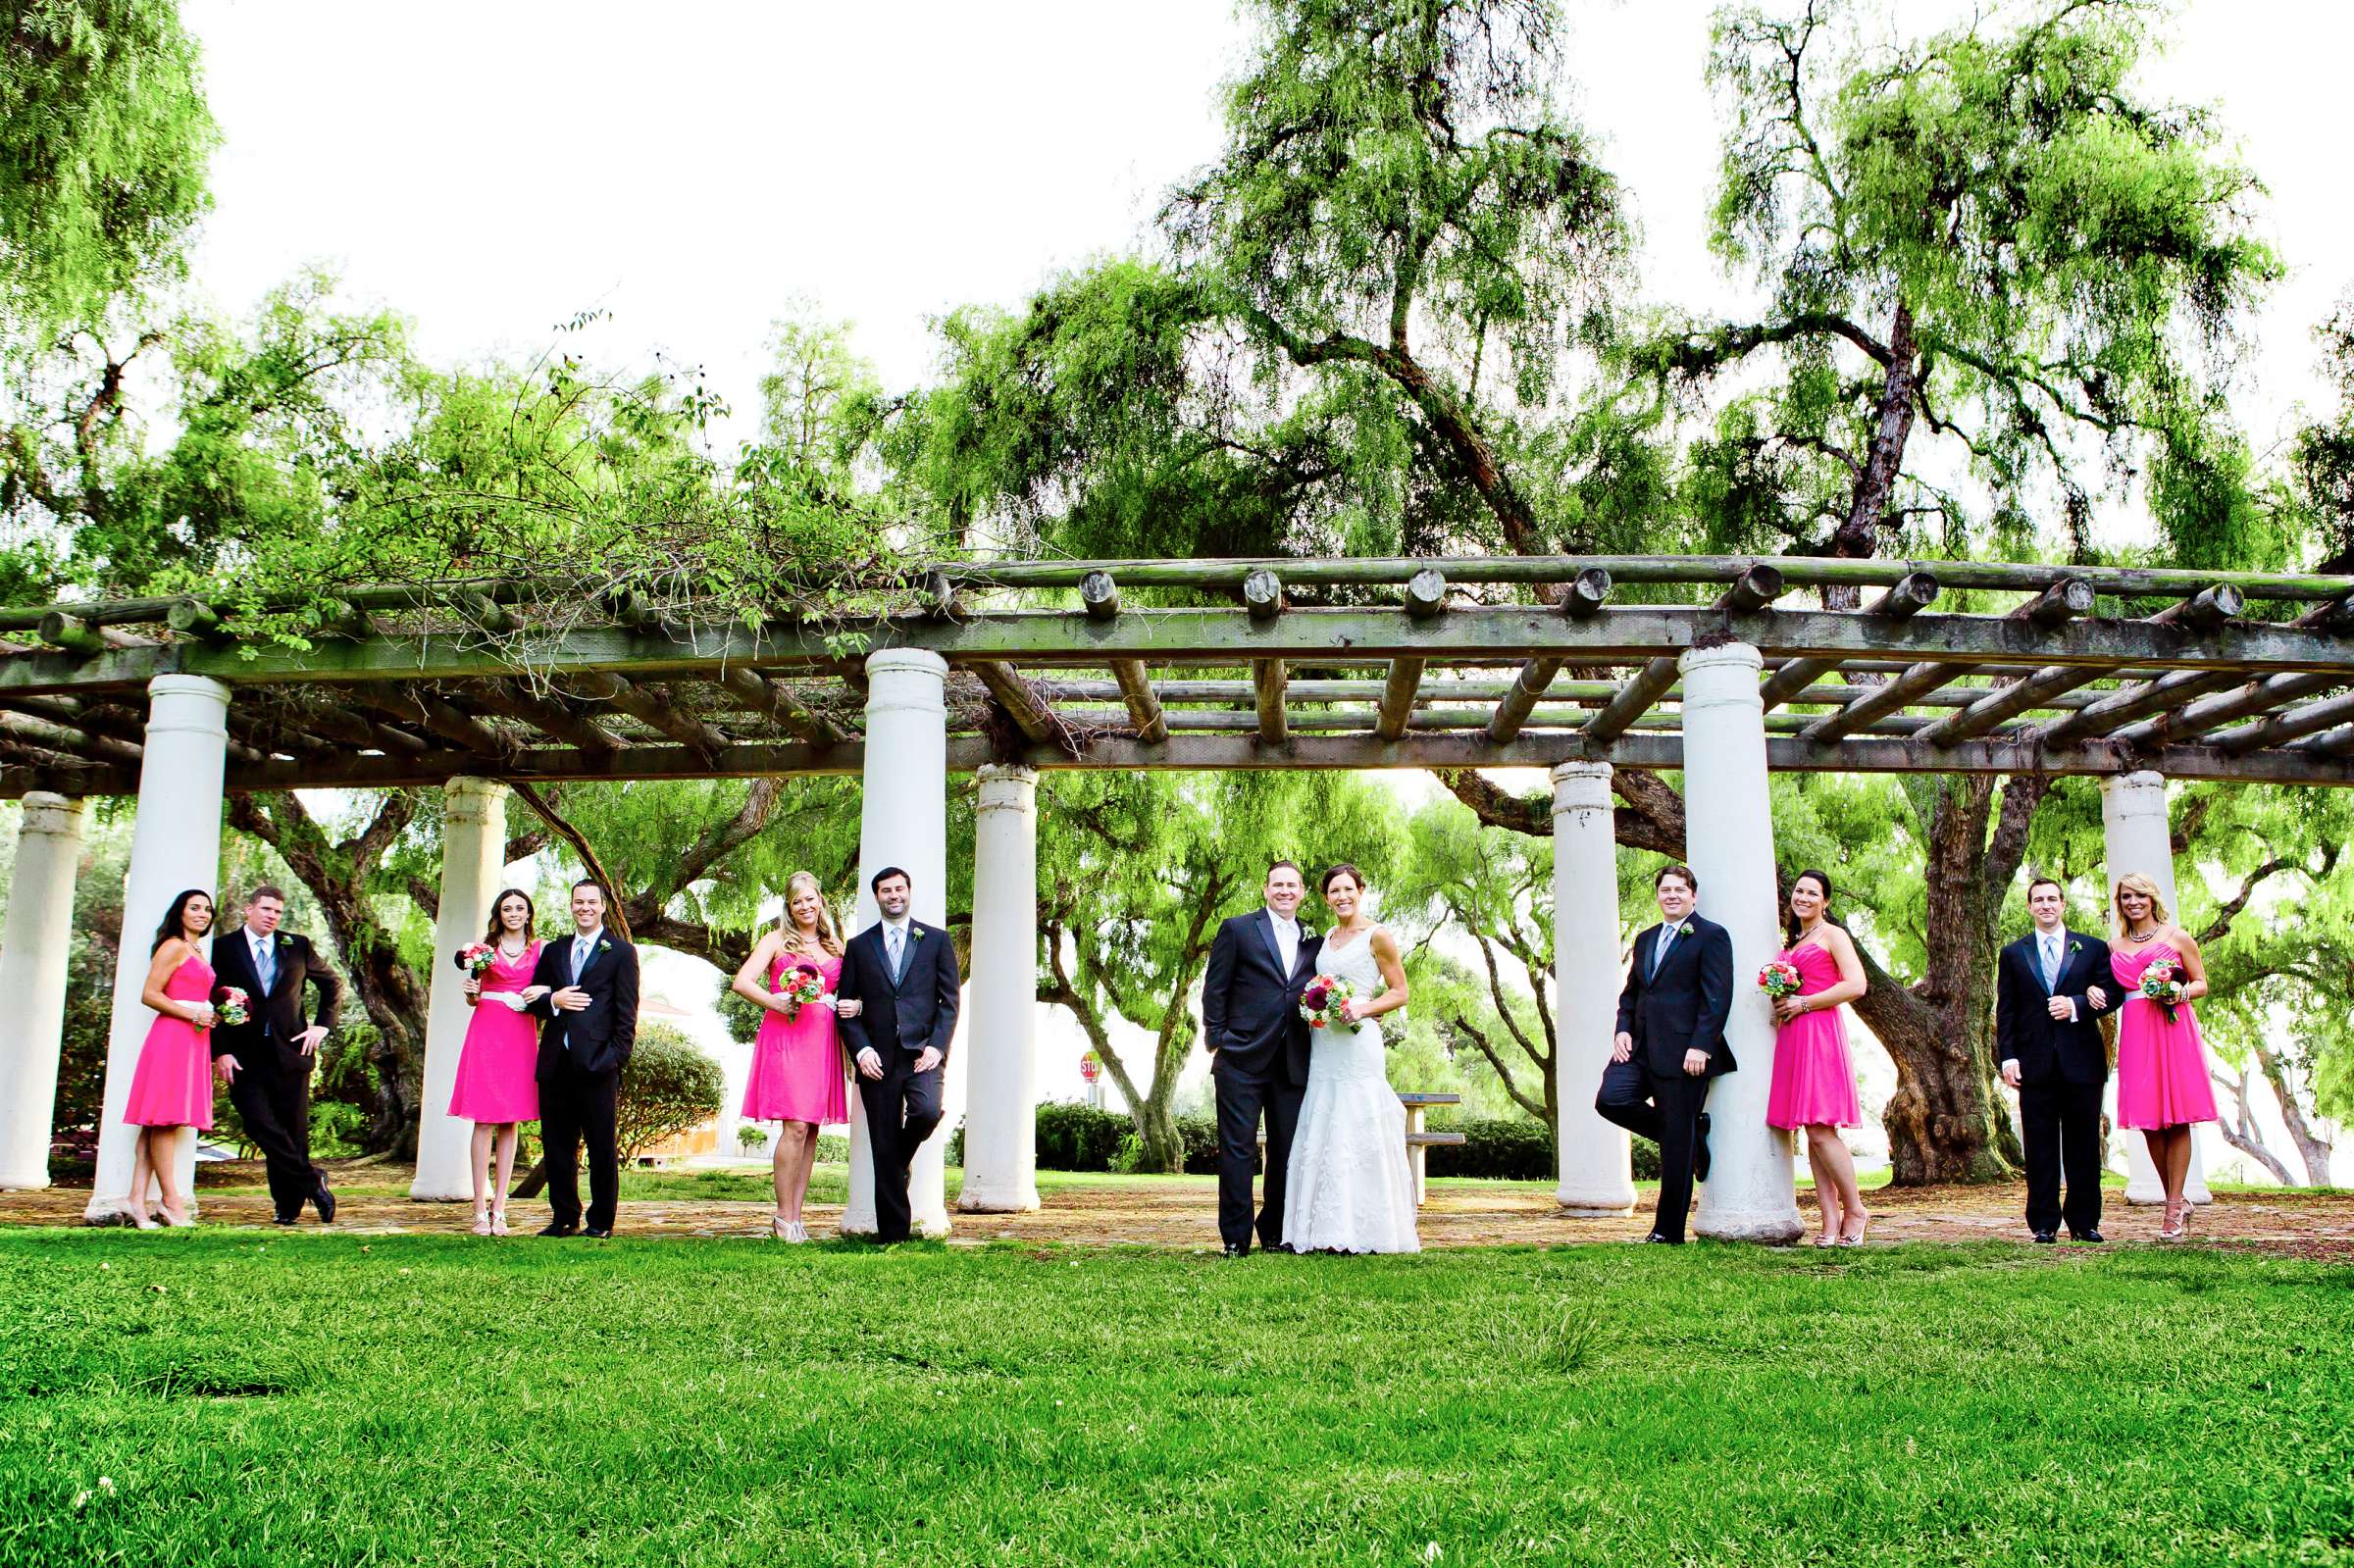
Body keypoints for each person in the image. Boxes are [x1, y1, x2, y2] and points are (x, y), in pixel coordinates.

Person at [1281, 865, 1418, 1254]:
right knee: (1325, 1122)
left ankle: (1367, 1231)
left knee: (1358, 1123)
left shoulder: (1378, 936)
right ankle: (1319, 1229)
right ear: (1325, 898)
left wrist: (1363, 1008)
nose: (1342, 897)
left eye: (1348, 889)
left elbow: (1400, 992)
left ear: (1361, 890)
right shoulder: (1327, 937)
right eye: (1334, 891)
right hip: (1325, 1044)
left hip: (1358, 1045)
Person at [1597, 864, 1734, 1244]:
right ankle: (1691, 1135)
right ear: (1657, 896)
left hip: (1685, 1053)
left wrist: (1701, 1044)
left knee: (1675, 1143)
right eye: (1665, 890)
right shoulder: (1645, 939)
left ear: (1693, 895)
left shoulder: (1711, 936)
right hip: (1639, 1047)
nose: (1671, 895)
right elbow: (1632, 994)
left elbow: (1717, 997)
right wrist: (1622, 1029)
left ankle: (1667, 1230)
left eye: (1679, 889)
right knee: (1610, 1100)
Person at [1201, 859, 1321, 1256]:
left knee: (1287, 1150)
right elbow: (1215, 987)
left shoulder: (1313, 938)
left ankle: (1274, 1232)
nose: (1285, 891)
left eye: (1292, 885)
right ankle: (1235, 1238)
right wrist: (1218, 1038)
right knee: (1238, 1150)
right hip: (1241, 1059)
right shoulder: (1237, 929)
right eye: (1277, 884)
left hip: (1293, 1060)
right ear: (1266, 890)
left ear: (1302, 891)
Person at [834, 865, 960, 1243]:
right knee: (882, 1140)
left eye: (899, 889)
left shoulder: (936, 940)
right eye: (886, 891)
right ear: (877, 897)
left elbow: (950, 1002)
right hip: (878, 1060)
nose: (894, 896)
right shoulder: (858, 946)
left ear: (909, 891)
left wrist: (937, 1047)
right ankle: (893, 1235)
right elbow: (845, 1006)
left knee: (925, 1112)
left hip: (923, 1053)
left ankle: (899, 1161)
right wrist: (862, 1050)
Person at [732, 871, 859, 1242]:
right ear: (789, 907)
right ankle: (782, 1217)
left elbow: (853, 989)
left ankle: (796, 1217)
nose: (805, 906)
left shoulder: (836, 945)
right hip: (786, 1036)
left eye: (810, 898)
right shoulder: (775, 941)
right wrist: (775, 1001)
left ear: (820, 900)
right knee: (796, 1126)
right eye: (797, 901)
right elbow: (742, 981)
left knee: (812, 1129)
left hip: (822, 1042)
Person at [208, 885, 344, 1226]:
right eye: (266, 909)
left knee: (291, 1131)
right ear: (248, 909)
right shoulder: (223, 948)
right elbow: (210, 1000)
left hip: (292, 1052)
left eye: (277, 912)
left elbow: (332, 984)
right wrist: (220, 1050)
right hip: (243, 1055)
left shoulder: (296, 946)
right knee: (259, 1125)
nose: (272, 916)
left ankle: (287, 1206)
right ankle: (313, 1181)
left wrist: (321, 1027)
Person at [1995, 876, 2113, 1244]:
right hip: (2034, 1064)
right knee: (2041, 1146)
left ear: (2063, 905)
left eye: (2052, 899)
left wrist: (2077, 1004)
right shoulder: (2014, 954)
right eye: (2038, 900)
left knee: (2083, 1146)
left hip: (2083, 1062)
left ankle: (2084, 1222)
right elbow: (2007, 1011)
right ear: (2030, 907)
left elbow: (2113, 993)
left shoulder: (2092, 949)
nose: (2046, 905)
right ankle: (2044, 1223)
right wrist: (2008, 1057)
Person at [525, 880, 640, 1239]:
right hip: (555, 1062)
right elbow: (533, 998)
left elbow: (626, 1014)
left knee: (601, 1145)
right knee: (557, 1145)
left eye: (591, 901)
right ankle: (563, 1217)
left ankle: (601, 1220)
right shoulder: (555, 951)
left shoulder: (620, 953)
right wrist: (554, 1001)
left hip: (598, 1064)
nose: (584, 907)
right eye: (578, 902)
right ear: (571, 906)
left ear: (603, 906)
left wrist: (614, 1058)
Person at [1763, 870, 1870, 1247]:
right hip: (1793, 1036)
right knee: (1811, 1129)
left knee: (1822, 1127)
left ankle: (1856, 1209)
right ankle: (1829, 1221)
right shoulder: (1793, 941)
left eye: (1812, 893)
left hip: (1820, 1032)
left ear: (1825, 901)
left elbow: (1856, 985)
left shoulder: (1833, 935)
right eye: (1799, 891)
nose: (1803, 897)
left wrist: (1804, 1002)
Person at [2110, 872, 2217, 1241]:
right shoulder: (2115, 946)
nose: (2133, 902)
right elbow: (2109, 992)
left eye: (2139, 895)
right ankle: (2175, 1197)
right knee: (2149, 1120)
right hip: (2137, 1030)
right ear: (2119, 902)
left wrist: (2179, 992)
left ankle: (2173, 1205)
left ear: (2152, 898)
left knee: (2178, 1116)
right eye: (2126, 896)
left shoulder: (2177, 938)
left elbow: (2201, 981)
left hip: (2172, 1027)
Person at [451, 888, 548, 1237]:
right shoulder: (483, 949)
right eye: (507, 908)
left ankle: (501, 1208)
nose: (514, 913)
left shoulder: (540, 949)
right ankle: (479, 1208)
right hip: (487, 1030)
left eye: (520, 908)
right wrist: (469, 990)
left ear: (528, 913)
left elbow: (548, 989)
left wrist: (536, 997)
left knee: (510, 1121)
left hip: (520, 1031)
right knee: (483, 1119)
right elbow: (472, 998)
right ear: (498, 913)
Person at [122, 889, 219, 1229]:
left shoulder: (196, 950)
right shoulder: (174, 946)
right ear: (180, 912)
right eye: (195, 907)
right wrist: (191, 1015)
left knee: (157, 1123)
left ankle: (136, 1200)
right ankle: (171, 1201)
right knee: (165, 1119)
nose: (203, 913)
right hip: (172, 1038)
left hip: (192, 1039)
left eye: (207, 909)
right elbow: (149, 994)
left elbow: (194, 994)